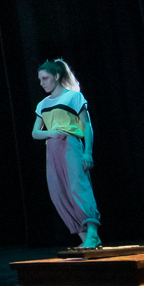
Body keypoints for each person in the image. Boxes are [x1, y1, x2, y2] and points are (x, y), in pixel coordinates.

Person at [32, 58, 102, 248]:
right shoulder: (42, 104)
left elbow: (87, 126)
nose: (42, 83)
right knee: (58, 193)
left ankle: (93, 234)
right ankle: (84, 238)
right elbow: (35, 133)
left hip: (70, 145)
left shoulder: (74, 97)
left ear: (56, 76)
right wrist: (51, 132)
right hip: (52, 149)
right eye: (40, 80)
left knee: (78, 188)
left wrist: (88, 153)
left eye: (45, 78)